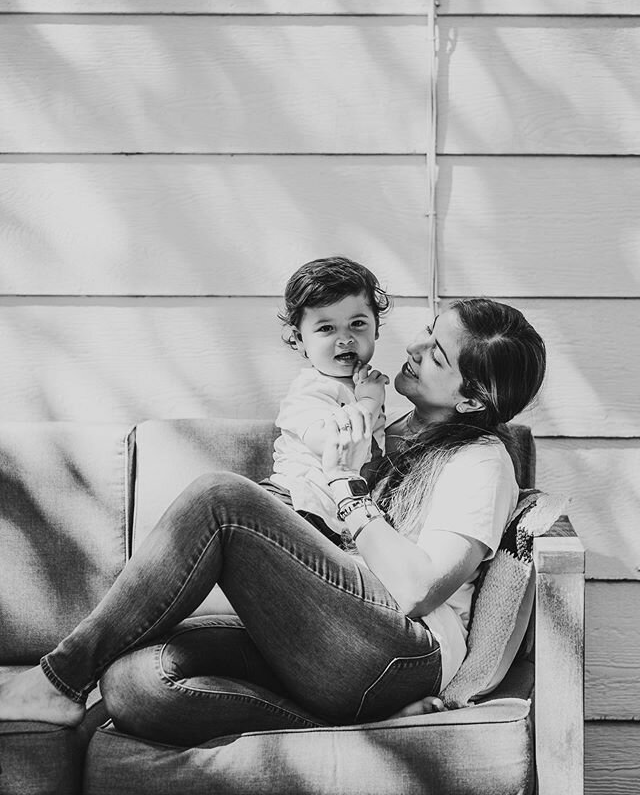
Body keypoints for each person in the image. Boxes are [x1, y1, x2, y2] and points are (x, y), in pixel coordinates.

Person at [0, 297, 546, 746]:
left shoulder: (480, 461)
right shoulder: (385, 429)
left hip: (403, 651)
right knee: (136, 685)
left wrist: (347, 487)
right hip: (329, 639)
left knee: (220, 498)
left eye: (437, 356)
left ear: (472, 399)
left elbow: (418, 589)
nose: (414, 347)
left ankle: (59, 677)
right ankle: (363, 728)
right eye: (427, 331)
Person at [262, 256, 390, 543]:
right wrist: (369, 402)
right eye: (326, 328)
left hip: (329, 518)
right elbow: (335, 442)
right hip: (291, 503)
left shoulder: (360, 385)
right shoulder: (309, 390)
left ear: (377, 328)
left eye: (357, 323)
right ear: (299, 340)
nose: (345, 339)